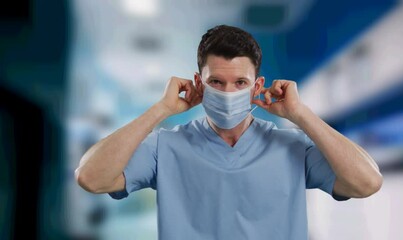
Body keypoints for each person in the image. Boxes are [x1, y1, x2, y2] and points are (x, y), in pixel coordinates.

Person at [75, 24, 383, 239]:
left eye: (240, 83)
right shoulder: (165, 146)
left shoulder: (292, 146)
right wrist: (160, 110)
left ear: (257, 86)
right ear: (199, 83)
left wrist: (300, 115)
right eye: (216, 82)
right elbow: (91, 177)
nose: (227, 92)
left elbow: (366, 183)